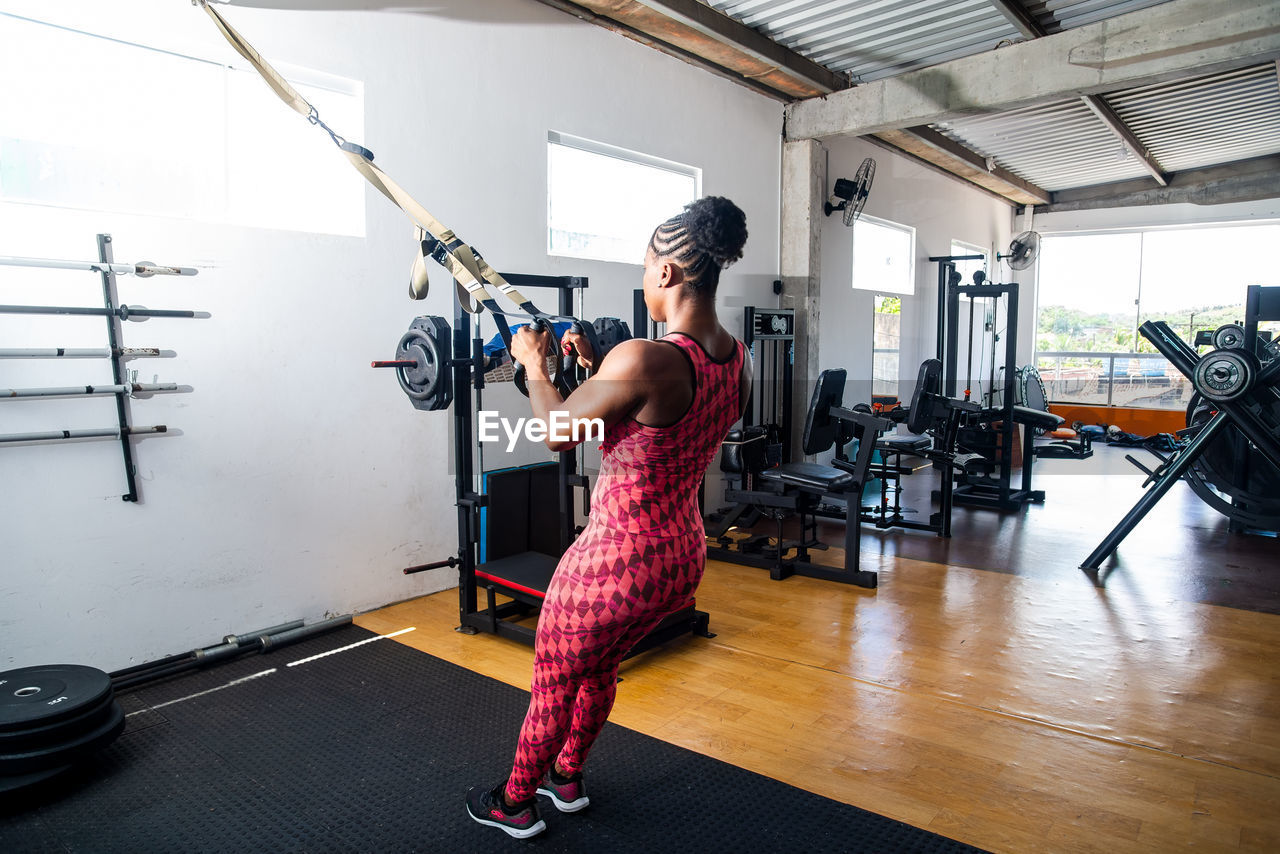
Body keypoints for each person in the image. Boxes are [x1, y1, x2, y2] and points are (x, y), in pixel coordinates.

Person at [465, 196, 752, 839]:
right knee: (598, 667)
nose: (645, 279)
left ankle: (514, 802)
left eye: (647, 266)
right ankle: (567, 778)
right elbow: (667, 422)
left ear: (669, 274)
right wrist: (599, 372)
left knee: (554, 678)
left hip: (614, 561)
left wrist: (535, 366)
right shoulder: (738, 358)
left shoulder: (646, 360)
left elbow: (559, 434)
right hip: (680, 557)